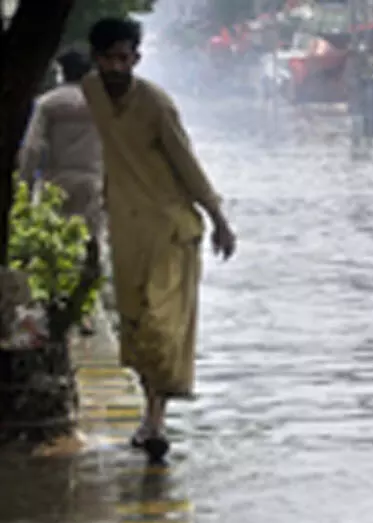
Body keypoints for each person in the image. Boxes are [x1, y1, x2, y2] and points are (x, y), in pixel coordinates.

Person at [82, 17, 237, 461]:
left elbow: (187, 164)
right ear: (96, 59)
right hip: (127, 229)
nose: (117, 67)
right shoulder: (90, 92)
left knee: (161, 326)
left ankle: (155, 419)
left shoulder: (156, 105)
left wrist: (219, 218)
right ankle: (150, 420)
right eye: (109, 58)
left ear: (137, 59)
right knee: (133, 322)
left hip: (171, 229)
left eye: (125, 58)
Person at [18, 48, 108, 331]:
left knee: (54, 246)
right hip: (94, 180)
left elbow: (32, 147)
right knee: (91, 244)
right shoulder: (102, 103)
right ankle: (86, 311)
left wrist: (25, 184)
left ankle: (55, 302)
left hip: (56, 181)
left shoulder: (48, 103)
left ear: (61, 71)